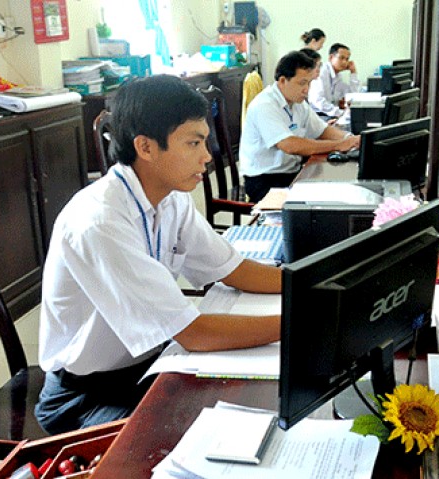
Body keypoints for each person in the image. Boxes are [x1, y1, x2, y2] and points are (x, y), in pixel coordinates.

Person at [35, 75, 283, 435]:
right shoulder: (99, 221)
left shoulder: (171, 198)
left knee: (249, 410)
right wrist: (299, 323)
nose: (207, 156)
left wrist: (308, 285)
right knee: (197, 439)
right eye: (193, 143)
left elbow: (235, 270)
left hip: (150, 363)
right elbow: (193, 333)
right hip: (85, 397)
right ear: (146, 147)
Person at [239, 51, 360, 202]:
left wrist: (351, 140)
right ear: (283, 81)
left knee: (336, 190)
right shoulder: (265, 105)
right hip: (265, 180)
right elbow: (289, 145)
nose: (306, 89)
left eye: (309, 83)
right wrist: (339, 145)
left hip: (291, 172)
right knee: (319, 203)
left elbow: (322, 130)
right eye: (302, 83)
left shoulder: (298, 102)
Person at [308, 43, 360, 118]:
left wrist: (353, 72)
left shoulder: (338, 76)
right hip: (318, 115)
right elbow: (317, 100)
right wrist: (340, 113)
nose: (345, 62)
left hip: (330, 114)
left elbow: (352, 96)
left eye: (347, 59)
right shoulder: (321, 73)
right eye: (341, 58)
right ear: (331, 57)